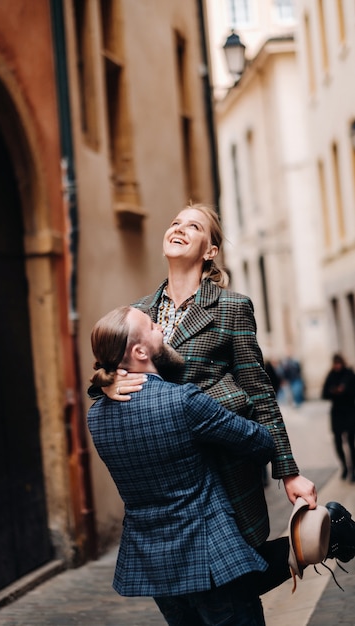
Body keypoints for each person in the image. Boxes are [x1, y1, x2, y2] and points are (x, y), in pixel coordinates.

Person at [88, 306, 355, 624]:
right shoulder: (183, 400)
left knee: (242, 580)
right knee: (237, 592)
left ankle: (331, 536)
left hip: (158, 568)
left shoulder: (96, 417)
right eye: (151, 325)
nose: (160, 326)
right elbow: (259, 442)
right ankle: (333, 532)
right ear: (140, 350)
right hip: (209, 552)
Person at [104, 203, 317, 554]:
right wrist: (109, 383)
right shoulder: (138, 312)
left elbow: (259, 392)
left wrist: (288, 472)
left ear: (210, 251)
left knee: (235, 576)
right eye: (175, 223)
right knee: (186, 577)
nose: (180, 229)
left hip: (221, 468)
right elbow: (106, 370)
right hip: (167, 479)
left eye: (193, 227)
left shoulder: (232, 307)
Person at [322, 353, 355, 482]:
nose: (337, 366)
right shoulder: (331, 375)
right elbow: (324, 393)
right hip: (336, 413)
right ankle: (344, 467)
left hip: (349, 411)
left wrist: (344, 390)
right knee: (338, 442)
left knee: (351, 443)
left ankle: (353, 469)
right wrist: (333, 391)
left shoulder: (349, 374)